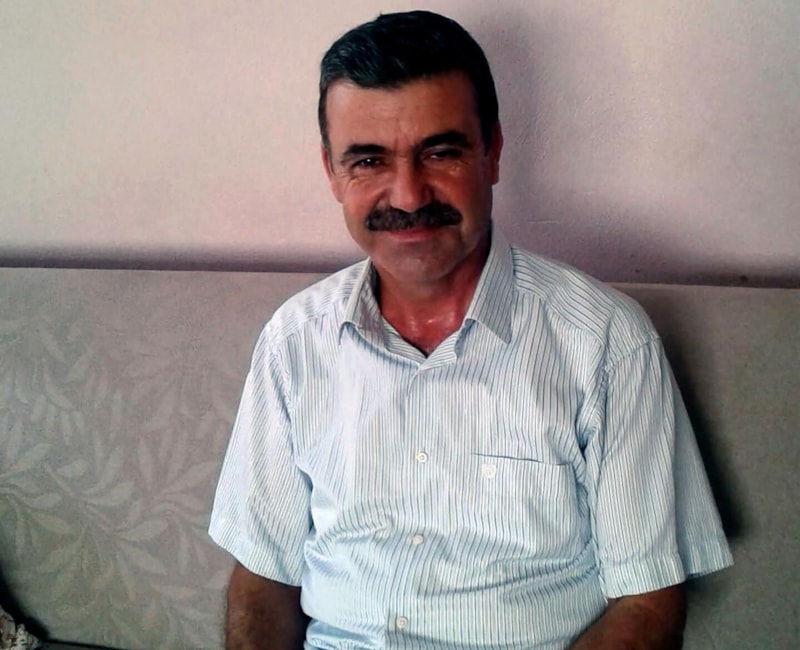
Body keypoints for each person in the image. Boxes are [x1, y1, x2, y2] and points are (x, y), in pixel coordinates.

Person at [209, 10, 733, 649]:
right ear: (332, 172)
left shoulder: (607, 344)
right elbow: (262, 577)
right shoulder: (293, 342)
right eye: (368, 160)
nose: (407, 196)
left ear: (493, 152)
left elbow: (647, 603)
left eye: (440, 152)